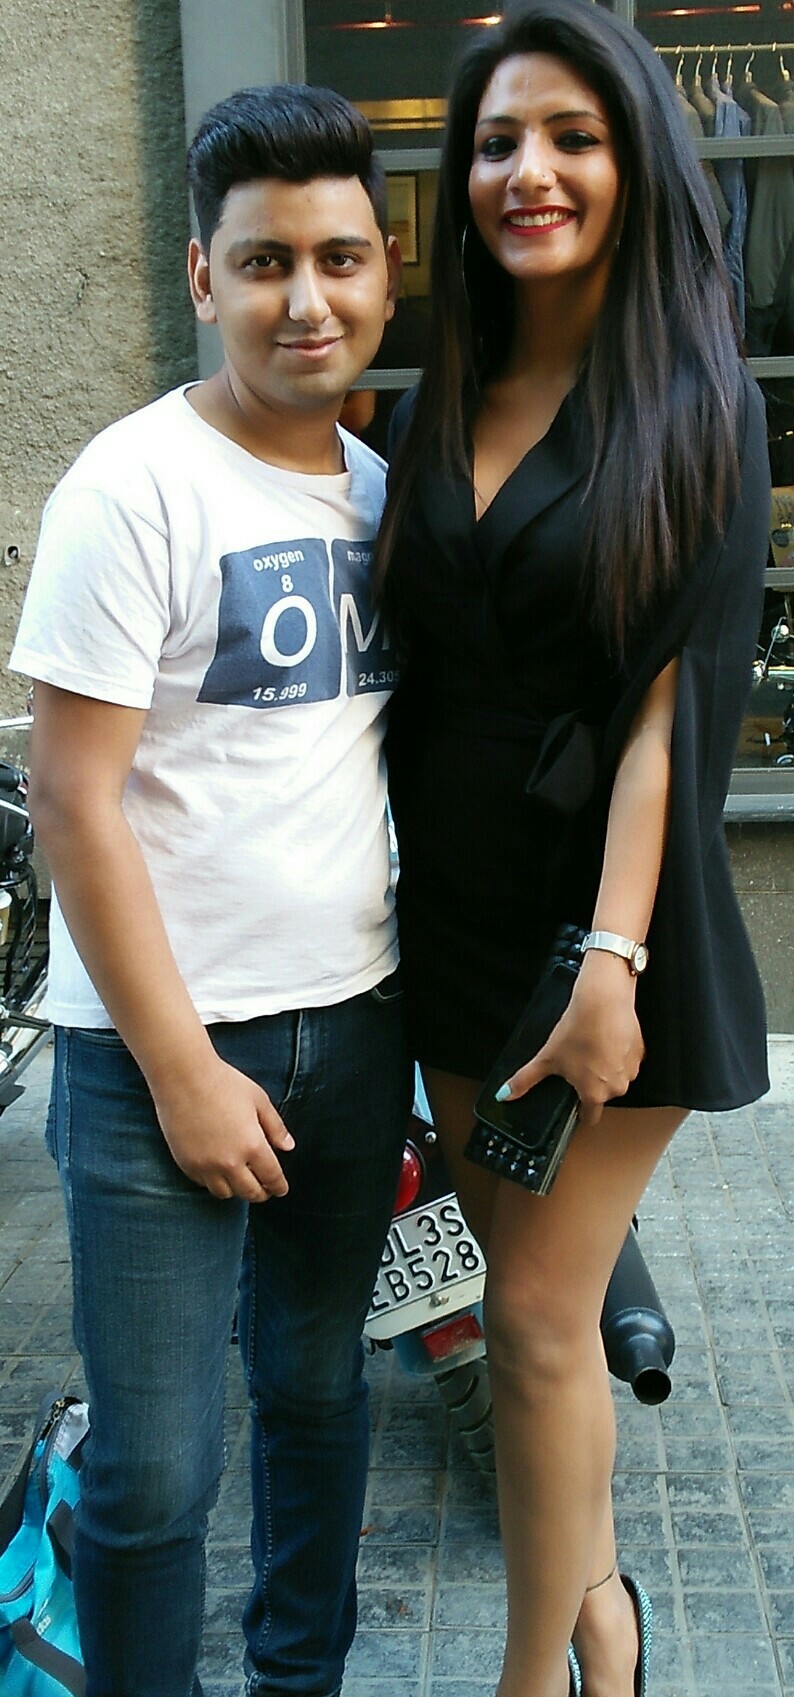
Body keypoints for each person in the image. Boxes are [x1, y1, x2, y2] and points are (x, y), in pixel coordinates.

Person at [376, 5, 771, 1696]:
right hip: (452, 921)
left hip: (601, 930)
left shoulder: (697, 401)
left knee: (540, 1320)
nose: (525, 172)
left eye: (570, 137)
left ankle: (536, 1677)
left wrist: (609, 960)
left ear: (637, 164)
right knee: (521, 1314)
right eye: (494, 143)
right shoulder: (444, 385)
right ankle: (603, 1616)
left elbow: (668, 711)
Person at [9, 84, 410, 1697]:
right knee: (157, 1471)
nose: (304, 298)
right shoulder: (131, 487)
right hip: (152, 1062)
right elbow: (71, 794)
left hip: (353, 1032)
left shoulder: (379, 493)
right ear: (201, 277)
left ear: (384, 271)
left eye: (336, 259)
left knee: (318, 1398)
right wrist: (181, 1070)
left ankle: (295, 1682)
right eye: (262, 263)